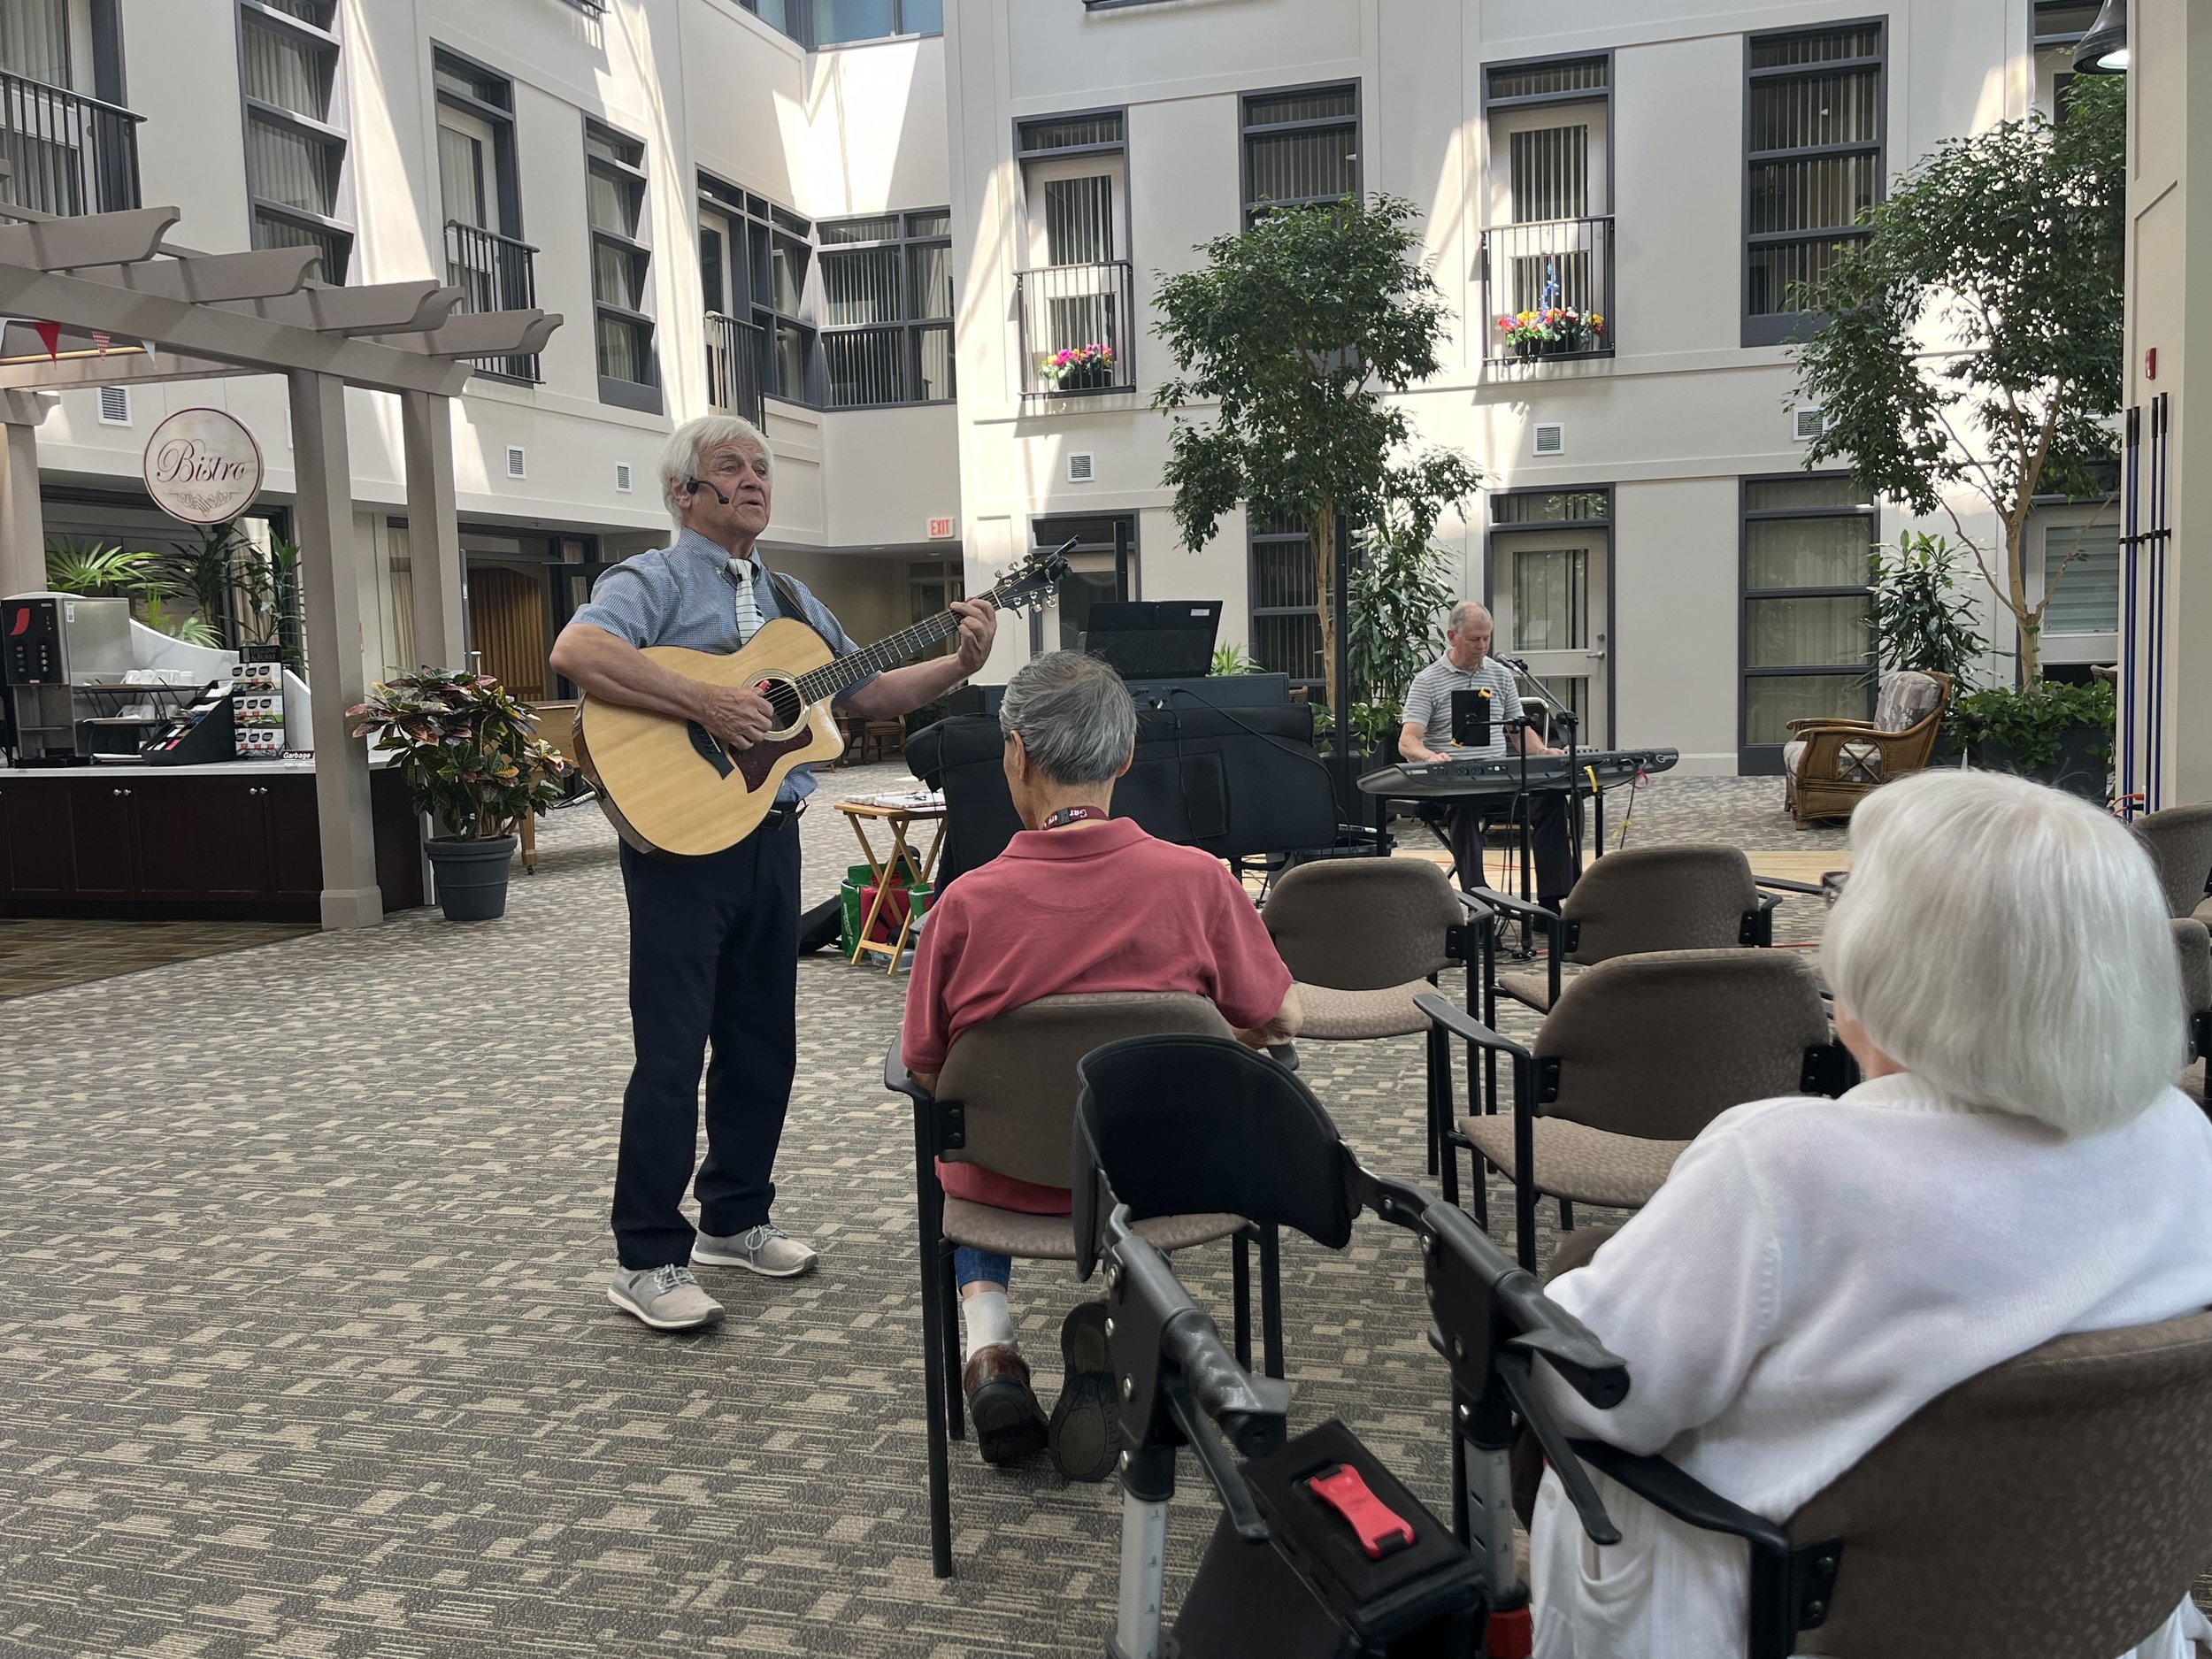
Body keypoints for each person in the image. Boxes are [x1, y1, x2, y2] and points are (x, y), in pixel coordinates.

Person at [1523, 769, 2212, 1658]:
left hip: (1778, 1617)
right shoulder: (2180, 1140)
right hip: (2086, 1605)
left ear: (1893, 961)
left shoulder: (1787, 1168)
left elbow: (1596, 1397)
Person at [549, 413, 996, 1333]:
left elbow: (861, 693)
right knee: (672, 1054)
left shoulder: (794, 600)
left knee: (763, 1043)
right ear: (686, 493)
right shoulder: (650, 579)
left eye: (761, 467)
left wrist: (956, 664)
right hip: (676, 843)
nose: (754, 479)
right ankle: (646, 1256)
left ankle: (736, 1217)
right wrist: (707, 699)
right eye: (730, 468)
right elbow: (578, 653)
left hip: (769, 832)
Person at [900, 650, 1302, 1475]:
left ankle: (989, 1346)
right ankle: (1120, 1331)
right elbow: (1277, 1019)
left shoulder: (963, 907)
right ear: (1125, 757)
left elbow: (929, 1070)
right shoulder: (1201, 885)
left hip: (1006, 1187)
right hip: (1166, 1181)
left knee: (961, 1136)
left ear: (1015, 754)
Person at [1397, 602, 1575, 909]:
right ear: (1452, 636)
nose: (1482, 646)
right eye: (1474, 639)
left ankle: (1551, 902)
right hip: (1454, 781)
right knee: (1464, 807)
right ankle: (1480, 901)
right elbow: (1408, 740)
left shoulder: (1500, 675)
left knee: (1551, 799)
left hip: (1497, 779)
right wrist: (1430, 758)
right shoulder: (1428, 681)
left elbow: (1517, 730)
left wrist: (1543, 752)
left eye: (1487, 639)